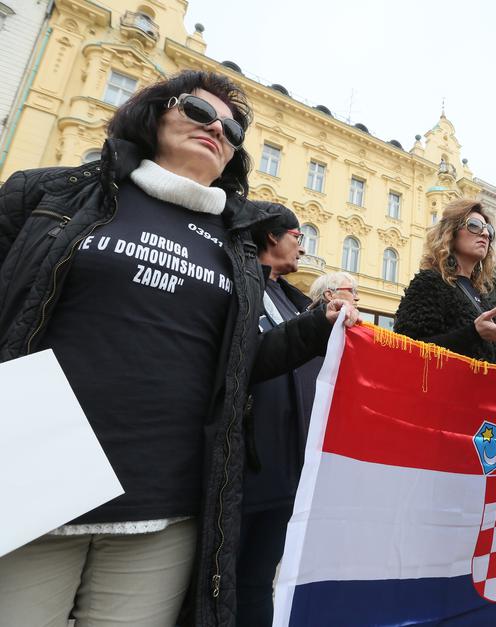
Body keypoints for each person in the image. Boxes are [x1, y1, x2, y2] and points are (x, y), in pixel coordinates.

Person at [0, 71, 357, 627]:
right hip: (33, 493)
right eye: (197, 109)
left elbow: (238, 364)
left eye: (232, 127)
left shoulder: (235, 244)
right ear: (152, 114)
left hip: (165, 505)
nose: (217, 126)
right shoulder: (49, 194)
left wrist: (316, 327)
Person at [237, 204, 334, 626]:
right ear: (272, 237)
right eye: (297, 235)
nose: (302, 244)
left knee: (259, 582)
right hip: (246, 465)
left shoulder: (290, 298)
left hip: (286, 468)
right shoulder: (242, 286)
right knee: (228, 580)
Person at [393, 199, 496, 380]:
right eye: (475, 226)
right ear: (451, 233)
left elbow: (481, 358)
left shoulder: (481, 297)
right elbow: (407, 349)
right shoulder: (430, 282)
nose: (485, 234)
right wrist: (473, 333)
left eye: (489, 230)